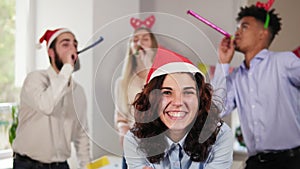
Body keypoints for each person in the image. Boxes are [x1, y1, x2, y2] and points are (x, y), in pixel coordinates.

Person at [213, 1, 300, 168]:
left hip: (291, 161)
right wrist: (223, 63)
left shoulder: (284, 61)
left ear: (262, 33)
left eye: (244, 27)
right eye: (237, 28)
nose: (236, 33)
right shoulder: (236, 77)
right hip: (256, 163)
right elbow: (215, 109)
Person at [124, 47, 233, 169]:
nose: (178, 102)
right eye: (167, 92)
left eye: (188, 92)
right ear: (153, 100)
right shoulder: (134, 140)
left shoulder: (220, 135)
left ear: (200, 99)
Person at [12, 28, 90, 169]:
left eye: (75, 45)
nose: (73, 50)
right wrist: (67, 68)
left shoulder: (78, 91)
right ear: (51, 52)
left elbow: (81, 134)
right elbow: (46, 106)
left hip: (60, 166)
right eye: (66, 45)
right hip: (28, 165)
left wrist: (87, 166)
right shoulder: (35, 79)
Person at [114, 15, 158, 169]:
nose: (139, 43)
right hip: (132, 148)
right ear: (130, 47)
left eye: (145, 39)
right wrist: (123, 130)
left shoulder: (161, 78)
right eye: (135, 39)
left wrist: (149, 66)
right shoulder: (122, 82)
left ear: (153, 45)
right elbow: (120, 116)